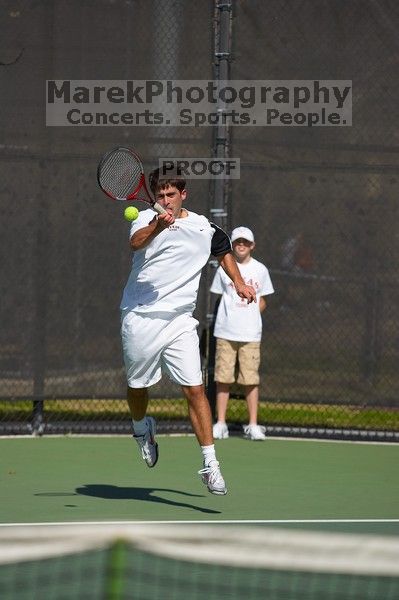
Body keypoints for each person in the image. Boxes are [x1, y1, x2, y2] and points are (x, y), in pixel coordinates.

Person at [120, 169, 256, 496]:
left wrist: (237, 281)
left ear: (184, 194)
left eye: (171, 195)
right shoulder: (142, 219)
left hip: (181, 321)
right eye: (160, 195)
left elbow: (222, 249)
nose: (165, 201)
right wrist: (157, 225)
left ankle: (211, 465)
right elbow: (135, 243)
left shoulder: (203, 226)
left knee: (195, 390)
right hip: (141, 318)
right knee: (137, 389)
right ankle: (142, 430)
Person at [210, 226, 274, 441]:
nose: (241, 245)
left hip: (251, 334)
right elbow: (220, 296)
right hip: (225, 332)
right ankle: (220, 423)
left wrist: (250, 315)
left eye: (245, 242)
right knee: (223, 378)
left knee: (250, 380)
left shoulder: (261, 270)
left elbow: (263, 300)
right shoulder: (223, 268)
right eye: (237, 241)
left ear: (252, 246)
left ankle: (253, 425)